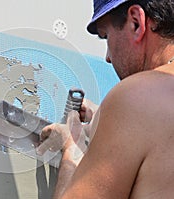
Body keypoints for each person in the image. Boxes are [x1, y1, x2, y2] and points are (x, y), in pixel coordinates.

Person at [36, 0, 174, 198]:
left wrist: (72, 149)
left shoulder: (136, 97)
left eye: (105, 36)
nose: (108, 57)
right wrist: (106, 116)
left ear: (136, 22)